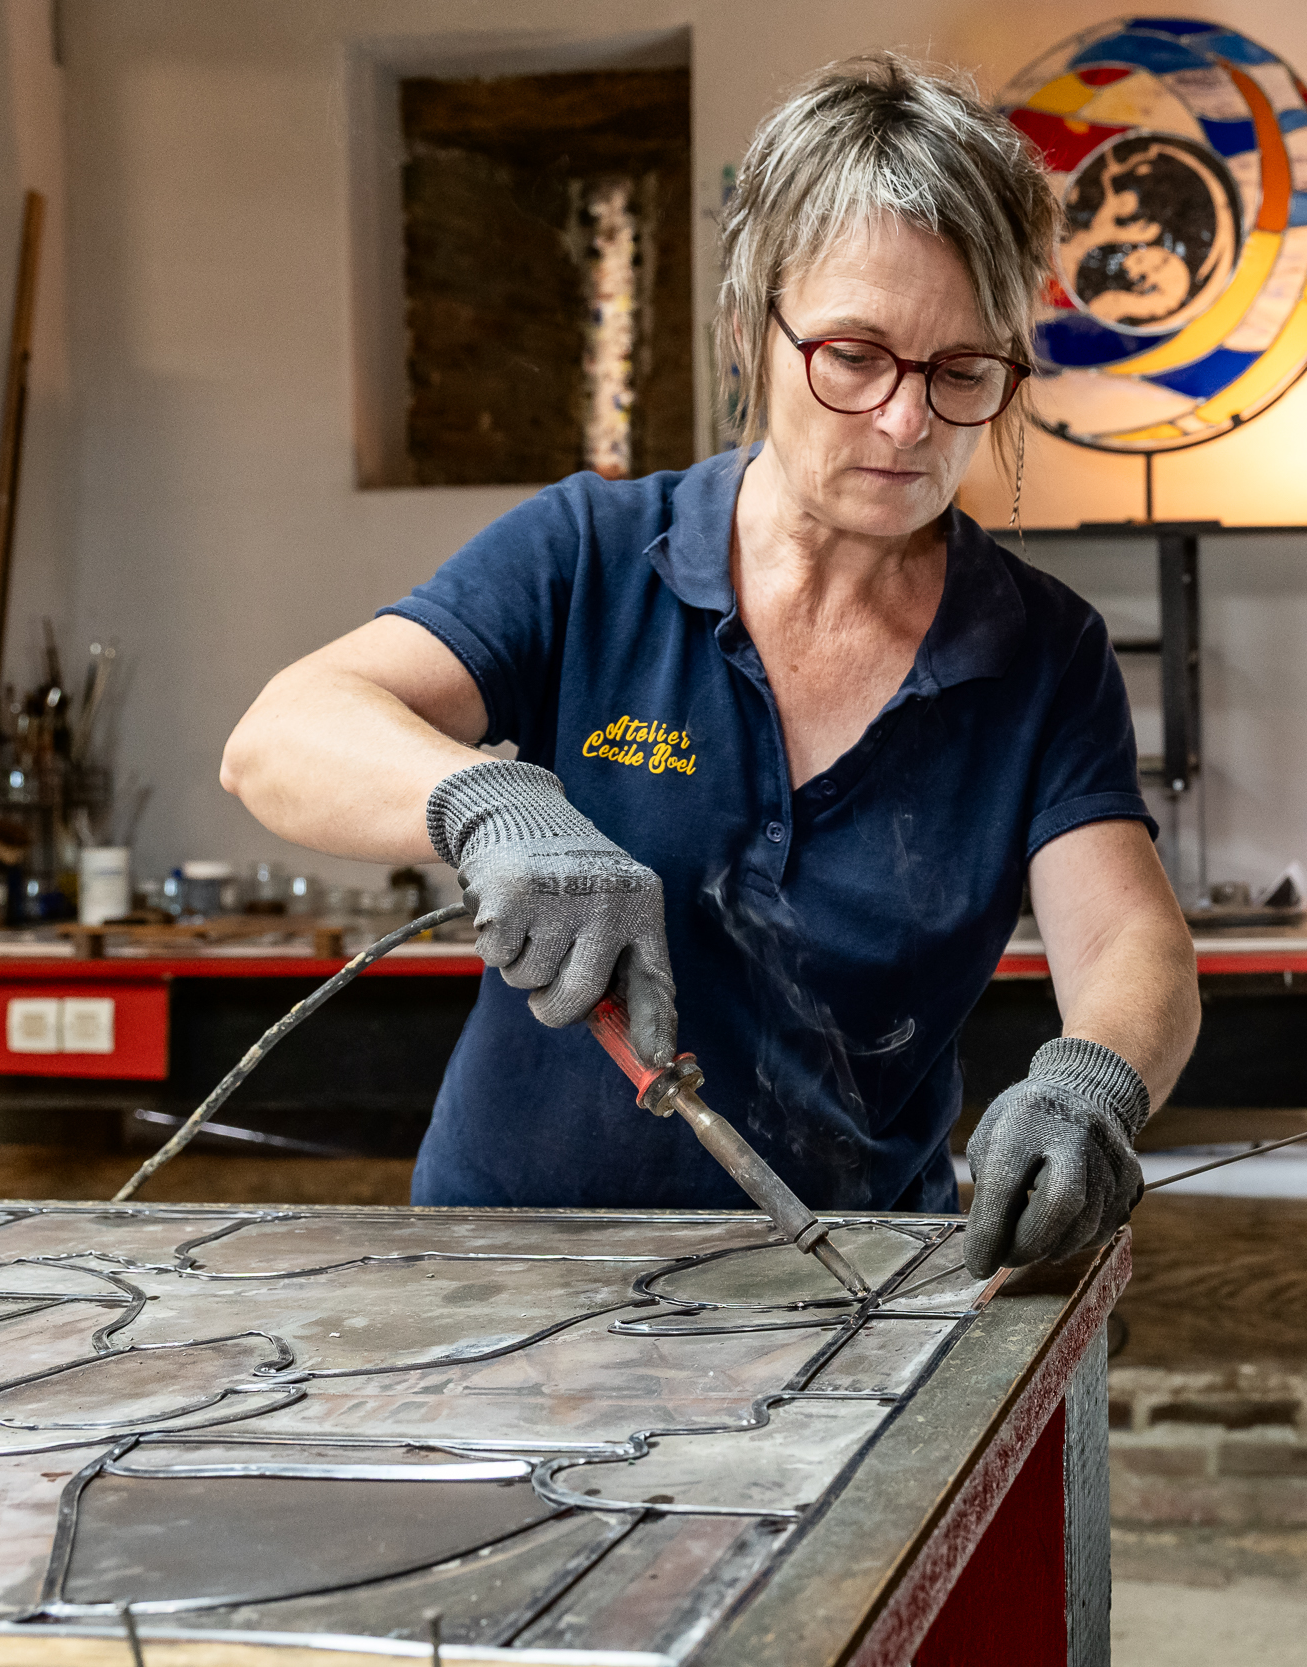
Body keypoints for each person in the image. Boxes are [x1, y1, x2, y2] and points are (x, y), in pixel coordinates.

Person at [220, 54, 1199, 1279]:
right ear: (750, 328)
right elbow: (282, 733)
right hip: (512, 1273)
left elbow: (1128, 946)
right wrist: (488, 803)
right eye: (854, 354)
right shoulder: (592, 556)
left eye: (960, 370)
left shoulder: (1039, 653)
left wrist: (1092, 1079)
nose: (907, 422)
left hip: (846, 1280)